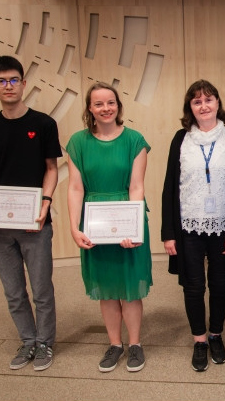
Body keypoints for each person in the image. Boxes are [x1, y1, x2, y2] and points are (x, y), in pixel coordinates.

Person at [66, 82, 152, 373]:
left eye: (110, 102)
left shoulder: (134, 140)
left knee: (129, 288)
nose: (105, 108)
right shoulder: (77, 142)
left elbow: (136, 186)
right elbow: (76, 188)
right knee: (105, 289)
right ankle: (115, 344)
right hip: (94, 222)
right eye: (99, 104)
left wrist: (134, 228)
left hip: (127, 217)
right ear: (90, 108)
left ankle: (136, 344)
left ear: (118, 105)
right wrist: (74, 228)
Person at [0, 56, 61, 371]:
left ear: (23, 83)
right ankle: (27, 341)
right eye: (1, 81)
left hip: (36, 222)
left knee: (41, 288)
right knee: (13, 291)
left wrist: (44, 206)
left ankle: (45, 343)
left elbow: (51, 169)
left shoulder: (43, 124)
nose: (8, 86)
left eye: (14, 79)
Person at [161, 80, 225, 372]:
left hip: (223, 227)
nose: (204, 106)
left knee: (220, 285)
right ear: (190, 108)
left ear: (218, 103)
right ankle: (199, 340)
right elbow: (170, 186)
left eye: (208, 100)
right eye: (197, 102)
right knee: (193, 287)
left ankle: (216, 334)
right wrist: (168, 233)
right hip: (187, 227)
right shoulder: (180, 139)